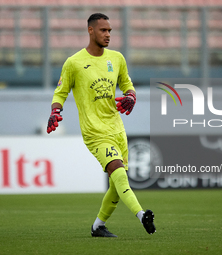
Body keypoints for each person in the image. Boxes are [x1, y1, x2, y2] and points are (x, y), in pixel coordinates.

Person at [46, 13, 156, 237]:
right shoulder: (74, 63)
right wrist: (55, 111)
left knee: (117, 184)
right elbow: (61, 92)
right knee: (117, 170)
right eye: (103, 30)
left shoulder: (116, 58)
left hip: (117, 129)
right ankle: (141, 214)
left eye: (110, 31)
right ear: (90, 31)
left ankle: (98, 226)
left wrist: (131, 96)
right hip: (95, 132)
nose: (108, 35)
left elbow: (128, 85)